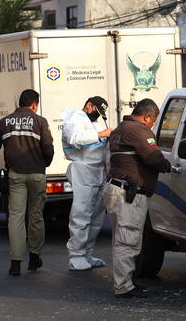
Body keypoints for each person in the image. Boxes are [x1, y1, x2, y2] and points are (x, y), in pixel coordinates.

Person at [104, 98, 171, 298]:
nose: (153, 125)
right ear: (146, 116)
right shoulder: (139, 130)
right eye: (153, 120)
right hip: (129, 193)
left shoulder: (120, 129)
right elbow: (153, 157)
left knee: (121, 237)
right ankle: (124, 287)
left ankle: (125, 281)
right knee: (128, 239)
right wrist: (166, 165)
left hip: (116, 189)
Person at [0, 89, 54, 276]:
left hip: (15, 176)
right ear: (34, 105)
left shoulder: (4, 122)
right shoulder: (40, 122)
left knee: (16, 217)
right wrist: (44, 163)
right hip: (37, 175)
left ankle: (15, 263)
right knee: (36, 216)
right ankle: (34, 258)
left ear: (19, 103)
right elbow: (48, 148)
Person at [62, 96, 113, 270]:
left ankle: (87, 253)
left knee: (96, 218)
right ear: (89, 105)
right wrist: (101, 134)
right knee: (81, 215)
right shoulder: (75, 119)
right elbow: (74, 139)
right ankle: (76, 256)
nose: (97, 116)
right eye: (97, 112)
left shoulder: (93, 122)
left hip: (98, 174)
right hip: (83, 172)